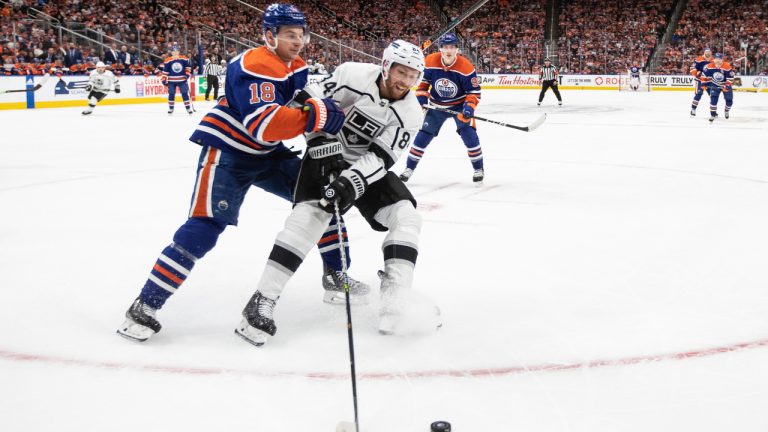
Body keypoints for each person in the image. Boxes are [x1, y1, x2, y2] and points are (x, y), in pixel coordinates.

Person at [117, 3, 369, 343]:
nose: (298, 41)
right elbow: (266, 125)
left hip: (267, 155)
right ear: (269, 36)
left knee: (325, 199)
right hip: (229, 153)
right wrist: (317, 115)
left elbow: (301, 98)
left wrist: (322, 106)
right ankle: (144, 306)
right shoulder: (255, 65)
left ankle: (336, 275)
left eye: (301, 35)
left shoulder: (294, 64)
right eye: (289, 35)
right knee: (204, 228)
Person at [235, 39, 434, 347]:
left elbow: (382, 158)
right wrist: (320, 143)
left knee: (406, 216)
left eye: (413, 76)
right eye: (401, 72)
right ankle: (261, 300)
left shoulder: (411, 113)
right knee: (309, 219)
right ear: (386, 66)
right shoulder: (351, 74)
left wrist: (350, 181)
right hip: (325, 154)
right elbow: (310, 100)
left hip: (367, 170)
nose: (406, 82)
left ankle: (395, 297)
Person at [399, 32, 483, 185]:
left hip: (459, 105)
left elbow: (474, 93)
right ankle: (409, 169)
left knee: (469, 135)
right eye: (445, 47)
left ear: (457, 49)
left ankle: (478, 169)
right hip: (436, 105)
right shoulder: (430, 61)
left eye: (452, 47)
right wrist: (422, 98)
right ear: (441, 49)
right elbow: (423, 85)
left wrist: (469, 107)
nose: (448, 50)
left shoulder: (466, 67)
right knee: (422, 137)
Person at [702, 53, 734, 122]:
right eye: (716, 59)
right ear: (714, 59)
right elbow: (703, 75)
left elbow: (730, 79)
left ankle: (726, 110)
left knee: (729, 101)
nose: (717, 61)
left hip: (725, 85)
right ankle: (712, 115)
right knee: (713, 100)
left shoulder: (727, 66)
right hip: (715, 85)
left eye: (719, 59)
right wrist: (704, 84)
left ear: (722, 59)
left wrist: (726, 86)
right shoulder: (709, 66)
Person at [161, 45, 193, 114]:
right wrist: (164, 79)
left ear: (178, 52)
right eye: (173, 51)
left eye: (176, 51)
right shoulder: (168, 60)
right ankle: (171, 108)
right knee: (171, 94)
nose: (175, 53)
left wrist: (187, 74)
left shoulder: (184, 59)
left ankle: (188, 108)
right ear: (171, 52)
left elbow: (188, 68)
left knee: (184, 93)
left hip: (182, 80)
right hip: (171, 81)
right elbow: (165, 71)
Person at [689, 47, 713, 116]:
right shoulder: (699, 59)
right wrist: (697, 74)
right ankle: (693, 109)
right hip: (699, 80)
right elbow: (692, 68)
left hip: (709, 81)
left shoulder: (713, 60)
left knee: (713, 96)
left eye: (709, 52)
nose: (708, 53)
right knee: (698, 95)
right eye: (707, 52)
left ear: (711, 53)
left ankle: (713, 112)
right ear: (704, 52)